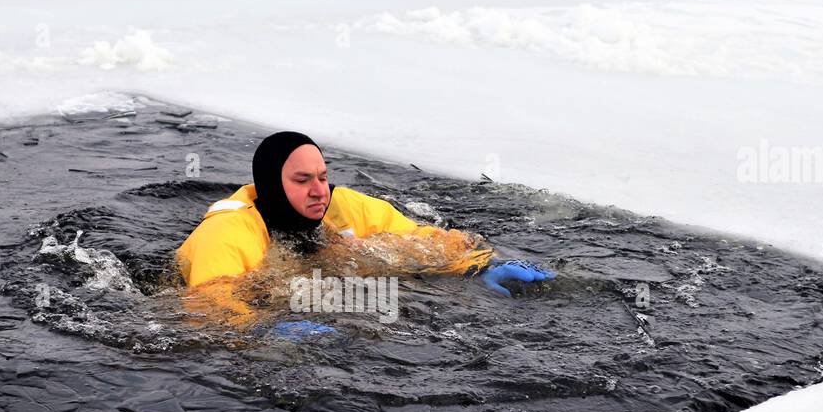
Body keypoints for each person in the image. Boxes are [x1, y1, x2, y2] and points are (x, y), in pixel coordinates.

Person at [175, 130, 554, 329]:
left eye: (323, 177)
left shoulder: (342, 207)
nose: (319, 191)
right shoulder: (226, 235)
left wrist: (479, 264)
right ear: (273, 185)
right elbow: (211, 309)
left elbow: (419, 241)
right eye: (302, 180)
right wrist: (259, 335)